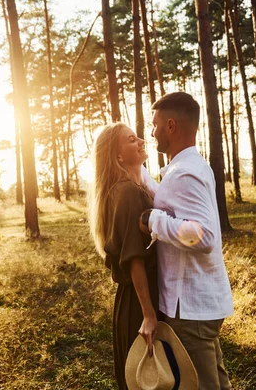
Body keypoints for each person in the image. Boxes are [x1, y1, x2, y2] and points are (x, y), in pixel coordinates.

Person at [139, 92, 234, 390]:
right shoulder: (191, 166)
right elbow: (175, 203)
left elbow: (203, 236)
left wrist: (151, 221)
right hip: (198, 303)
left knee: (201, 385)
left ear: (170, 126)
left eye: (154, 125)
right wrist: (139, 176)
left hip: (190, 307)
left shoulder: (184, 173)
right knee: (215, 380)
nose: (151, 132)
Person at [88, 123, 159, 390]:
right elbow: (133, 259)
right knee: (148, 379)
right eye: (131, 140)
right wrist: (149, 315)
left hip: (138, 299)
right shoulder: (126, 192)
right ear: (118, 156)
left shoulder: (133, 187)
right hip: (140, 301)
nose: (141, 141)